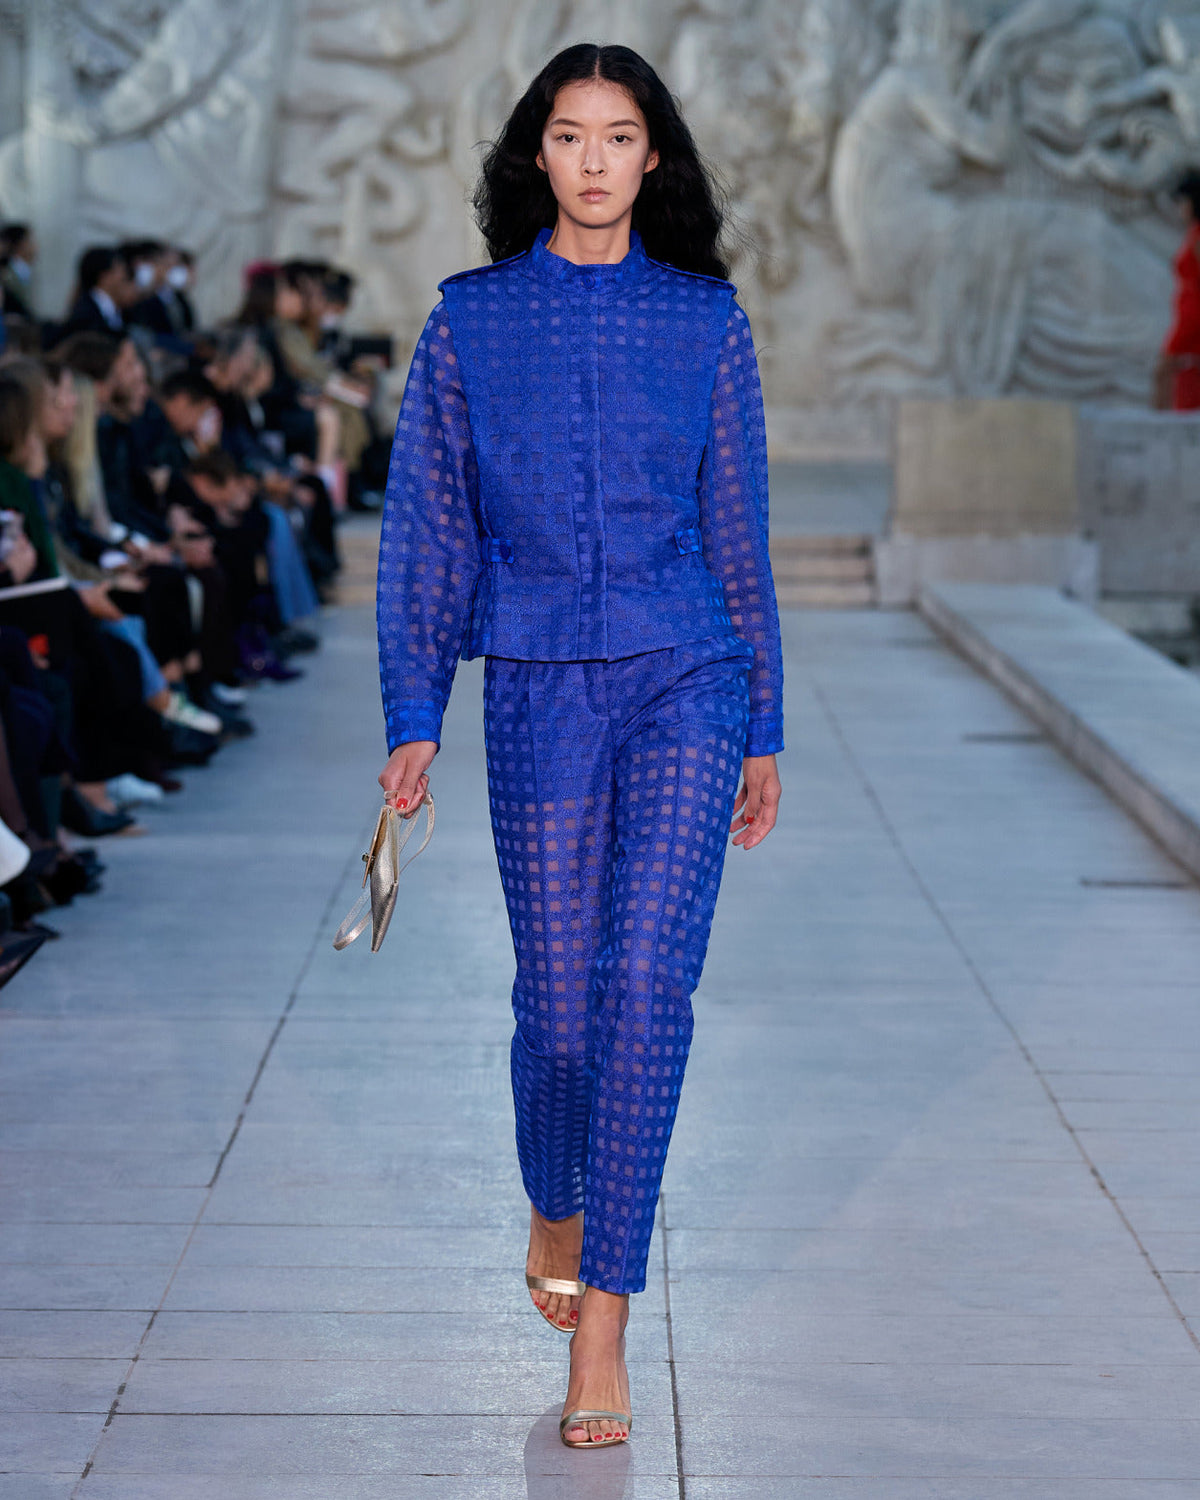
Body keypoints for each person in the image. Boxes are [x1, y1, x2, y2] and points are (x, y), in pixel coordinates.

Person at [375, 43, 783, 1451]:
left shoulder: (705, 321)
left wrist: (763, 723)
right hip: (540, 682)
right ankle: (557, 1193)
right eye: (570, 134)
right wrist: (414, 711)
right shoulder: (471, 323)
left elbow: (738, 532)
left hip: (687, 675)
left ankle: (605, 1316)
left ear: (653, 156)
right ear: (535, 154)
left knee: (646, 985)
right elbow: (430, 530)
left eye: (619, 135)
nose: (595, 159)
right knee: (556, 1011)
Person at [1157, 168, 1200, 411]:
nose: (1180, 208)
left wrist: (1175, 345)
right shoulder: (1194, 236)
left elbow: (1195, 299)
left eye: (1183, 201)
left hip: (1192, 335)